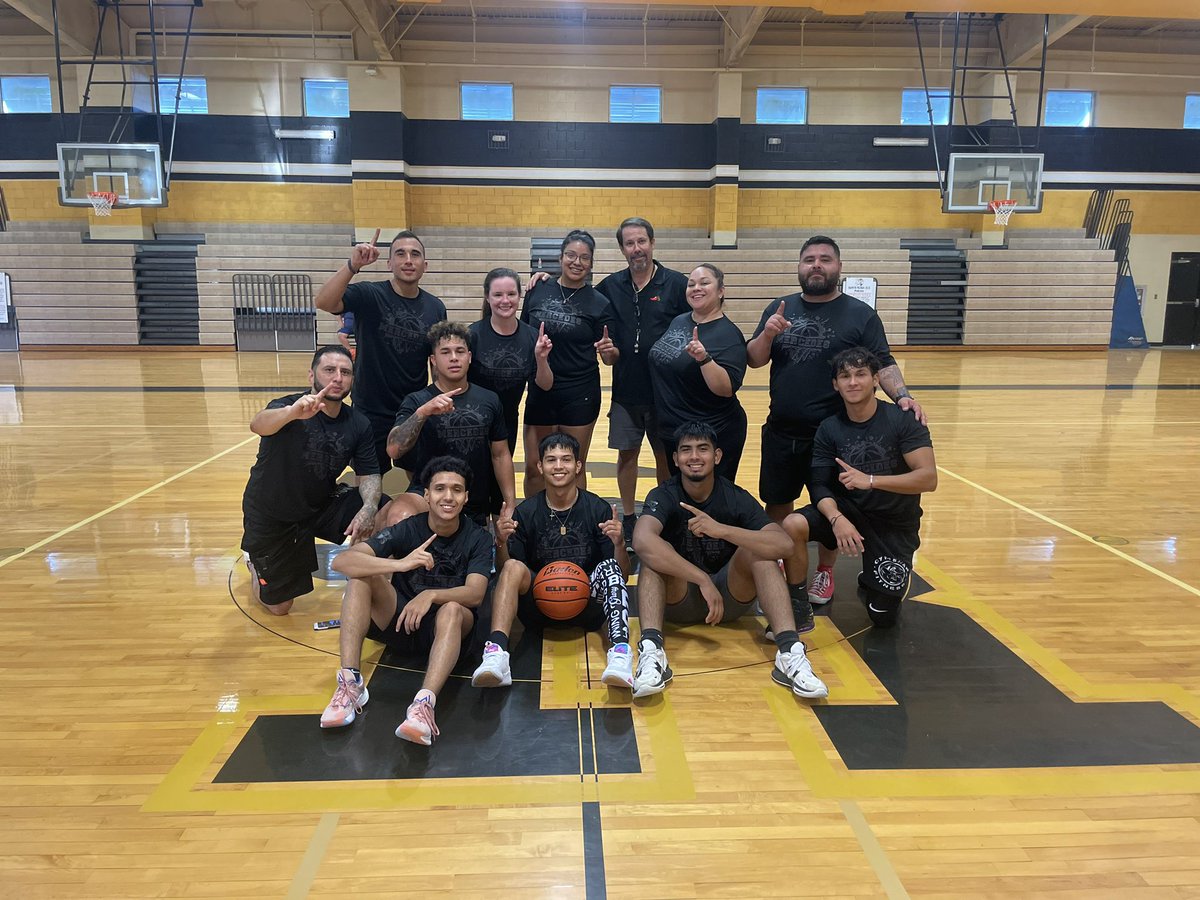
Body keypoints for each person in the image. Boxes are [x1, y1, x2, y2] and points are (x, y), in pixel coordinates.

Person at [746, 234, 925, 608]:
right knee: (777, 502)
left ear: (838, 268)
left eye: (825, 259)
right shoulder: (780, 308)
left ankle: (824, 572)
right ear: (799, 266)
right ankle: (779, 567)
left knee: (830, 504)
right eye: (809, 259)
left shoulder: (859, 314)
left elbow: (883, 361)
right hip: (782, 428)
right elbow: (755, 359)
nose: (816, 265)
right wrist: (767, 332)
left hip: (835, 434)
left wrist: (903, 396)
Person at [631, 422, 828, 700]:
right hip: (681, 598)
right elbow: (641, 541)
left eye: (703, 449)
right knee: (653, 555)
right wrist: (700, 579)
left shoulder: (735, 498)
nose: (694, 456)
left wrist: (721, 530)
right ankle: (652, 651)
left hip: (729, 599)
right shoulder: (664, 495)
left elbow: (783, 544)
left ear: (718, 456)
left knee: (760, 552)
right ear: (675, 459)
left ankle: (789, 652)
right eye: (686, 450)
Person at [320, 456, 493, 746]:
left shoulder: (477, 538)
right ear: (426, 495)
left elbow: (475, 593)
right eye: (439, 489)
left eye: (456, 490)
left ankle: (423, 707)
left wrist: (431, 594)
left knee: (451, 609)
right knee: (361, 577)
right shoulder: (408, 529)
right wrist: (399, 565)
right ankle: (351, 683)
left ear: (466, 498)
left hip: (448, 632)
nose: (447, 496)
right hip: (401, 620)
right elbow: (344, 562)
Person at [782, 347, 936, 630]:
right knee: (793, 523)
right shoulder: (829, 428)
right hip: (850, 512)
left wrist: (872, 481)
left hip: (893, 523)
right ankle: (798, 601)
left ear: (876, 379)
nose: (853, 382)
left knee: (882, 616)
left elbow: (928, 478)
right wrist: (837, 519)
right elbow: (818, 485)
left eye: (861, 374)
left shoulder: (903, 419)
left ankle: (875, 575)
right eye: (845, 376)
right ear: (835, 385)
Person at [471, 432, 634, 690]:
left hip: (586, 602)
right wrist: (500, 543)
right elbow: (507, 573)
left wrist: (620, 544)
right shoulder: (526, 513)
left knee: (610, 567)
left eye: (566, 459)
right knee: (514, 566)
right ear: (540, 466)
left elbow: (621, 576)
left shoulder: (599, 509)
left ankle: (621, 654)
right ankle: (496, 654)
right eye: (551, 460)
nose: (559, 466)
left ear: (578, 466)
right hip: (539, 604)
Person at [241, 345, 383, 616]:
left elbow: (369, 474)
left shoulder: (358, 423)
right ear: (312, 376)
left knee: (384, 510)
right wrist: (292, 413)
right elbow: (258, 424)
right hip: (273, 514)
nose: (337, 378)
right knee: (280, 607)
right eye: (329, 370)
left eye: (345, 372)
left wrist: (368, 509)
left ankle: (365, 584)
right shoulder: (288, 407)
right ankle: (254, 562)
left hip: (321, 505)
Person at [314, 228, 447, 475]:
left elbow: (435, 362)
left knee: (418, 477)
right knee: (369, 481)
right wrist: (353, 265)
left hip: (413, 410)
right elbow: (324, 302)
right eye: (400, 254)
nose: (408, 260)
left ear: (424, 265)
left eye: (415, 254)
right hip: (370, 410)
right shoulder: (369, 294)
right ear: (389, 263)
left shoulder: (436, 307)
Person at [595, 217, 690, 551]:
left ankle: (665, 514)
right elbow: (575, 298)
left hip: (666, 393)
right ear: (622, 249)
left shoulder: (676, 284)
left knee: (665, 458)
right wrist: (542, 281)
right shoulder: (609, 287)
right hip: (626, 390)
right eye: (629, 243)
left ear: (652, 242)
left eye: (642, 241)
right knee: (627, 454)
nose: (637, 249)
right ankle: (632, 515)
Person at [381, 321, 516, 527]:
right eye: (445, 352)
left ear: (469, 357)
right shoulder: (417, 401)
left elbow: (500, 455)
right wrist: (424, 412)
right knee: (398, 517)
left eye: (460, 351)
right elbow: (393, 449)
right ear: (433, 360)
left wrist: (510, 502)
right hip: (427, 493)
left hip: (471, 498)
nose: (454, 358)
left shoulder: (489, 399)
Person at [520, 229, 617, 494]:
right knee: (535, 465)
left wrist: (609, 352)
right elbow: (523, 333)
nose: (577, 262)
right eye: (571, 255)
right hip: (541, 387)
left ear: (591, 262)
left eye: (584, 257)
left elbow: (610, 356)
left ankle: (577, 527)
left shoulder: (599, 303)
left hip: (580, 392)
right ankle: (534, 525)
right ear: (560, 258)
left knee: (574, 466)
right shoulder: (537, 289)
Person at [647, 263, 748, 482]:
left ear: (721, 291)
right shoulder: (680, 320)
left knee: (709, 502)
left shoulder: (728, 334)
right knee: (681, 497)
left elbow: (726, 388)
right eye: (691, 284)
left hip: (711, 436)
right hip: (674, 430)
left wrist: (704, 358)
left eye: (704, 283)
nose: (696, 288)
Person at [468, 268, 554, 511]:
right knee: (471, 484)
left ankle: (499, 542)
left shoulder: (530, 336)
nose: (505, 301)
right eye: (497, 295)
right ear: (487, 297)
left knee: (498, 490)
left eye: (511, 294)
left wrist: (541, 359)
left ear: (519, 297)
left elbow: (545, 384)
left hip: (507, 423)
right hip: (472, 422)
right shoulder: (472, 335)